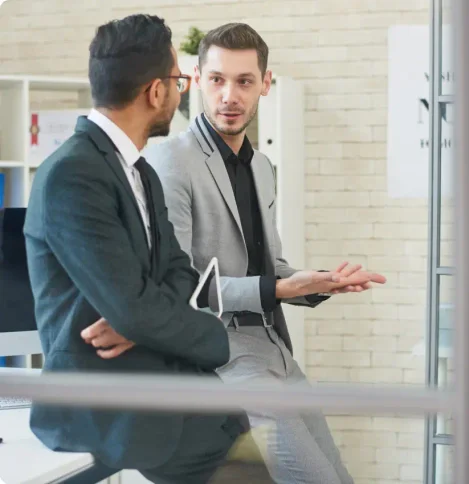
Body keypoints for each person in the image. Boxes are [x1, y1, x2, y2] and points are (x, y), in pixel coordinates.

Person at [84, 22, 386, 484]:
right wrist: (279, 287)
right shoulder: (172, 161)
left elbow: (271, 268)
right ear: (198, 80)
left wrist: (319, 284)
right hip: (225, 358)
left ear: (264, 84)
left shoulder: (262, 167)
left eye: (244, 81)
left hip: (275, 352)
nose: (230, 95)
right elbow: (176, 288)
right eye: (218, 80)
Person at [23, 14, 253, 484]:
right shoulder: (73, 174)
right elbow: (132, 306)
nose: (181, 91)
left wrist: (142, 321)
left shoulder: (141, 173)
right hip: (107, 403)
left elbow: (178, 273)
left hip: (160, 381)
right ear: (155, 92)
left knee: (236, 427)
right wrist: (209, 335)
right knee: (237, 457)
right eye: (178, 80)